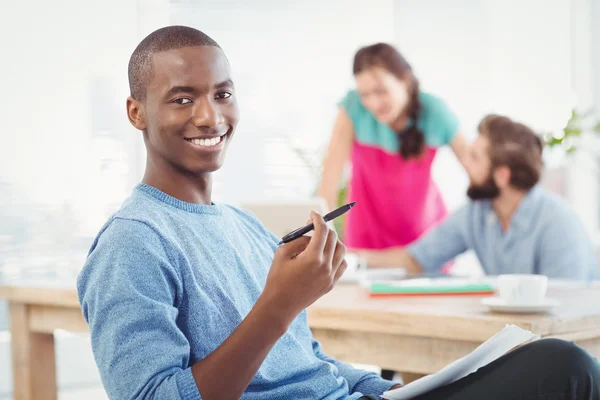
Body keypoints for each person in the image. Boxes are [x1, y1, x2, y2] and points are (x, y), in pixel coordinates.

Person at [77, 26, 600, 400]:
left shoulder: (246, 228)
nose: (209, 114)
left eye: (222, 93)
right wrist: (278, 306)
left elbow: (308, 363)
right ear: (136, 111)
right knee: (567, 370)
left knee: (554, 363)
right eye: (182, 98)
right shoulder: (133, 242)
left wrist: (387, 388)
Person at [358, 114, 599, 281]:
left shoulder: (558, 222)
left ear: (502, 176)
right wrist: (350, 256)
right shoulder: (477, 213)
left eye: (475, 158)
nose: (466, 163)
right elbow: (415, 260)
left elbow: (567, 310)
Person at [318, 43, 469, 253]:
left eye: (381, 91)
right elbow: (330, 181)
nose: (373, 102)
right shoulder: (353, 109)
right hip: (366, 236)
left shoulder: (435, 112)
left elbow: (476, 169)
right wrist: (319, 240)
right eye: (365, 94)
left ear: (404, 80)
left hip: (423, 237)